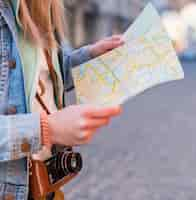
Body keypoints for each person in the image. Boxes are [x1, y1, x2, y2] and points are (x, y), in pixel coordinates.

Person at [0, 0, 124, 199]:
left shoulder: (37, 9)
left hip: (43, 182)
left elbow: (41, 78)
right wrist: (46, 129)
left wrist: (90, 57)